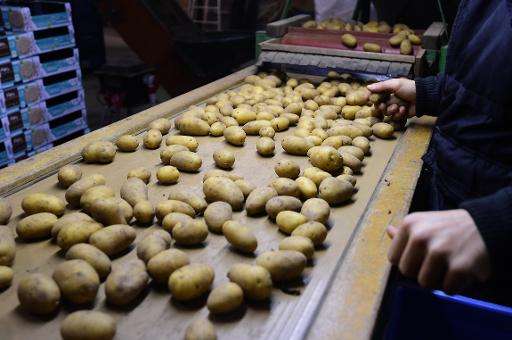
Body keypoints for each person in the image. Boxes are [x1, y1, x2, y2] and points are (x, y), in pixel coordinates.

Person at [366, 0, 512, 294]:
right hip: (454, 201)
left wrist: (497, 222)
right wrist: (431, 93)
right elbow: (489, 81)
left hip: (492, 253)